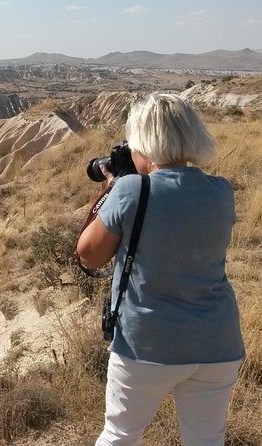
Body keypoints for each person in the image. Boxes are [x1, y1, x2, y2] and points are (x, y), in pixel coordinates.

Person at [76, 93, 245, 446]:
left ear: (144, 144)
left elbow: (89, 255)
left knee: (120, 435)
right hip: (217, 343)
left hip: (146, 345)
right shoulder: (221, 191)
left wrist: (112, 187)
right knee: (206, 440)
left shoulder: (131, 190)